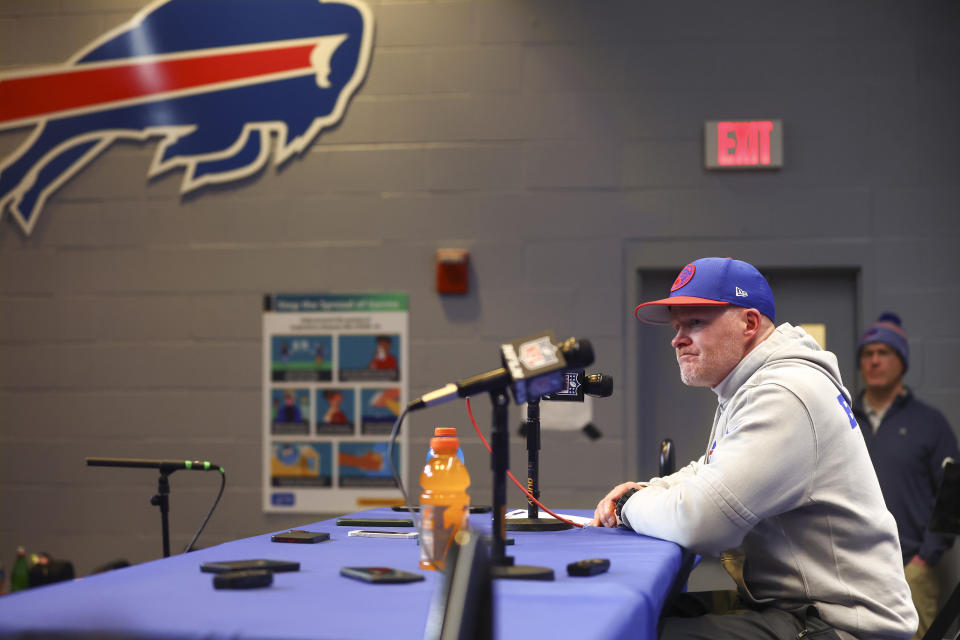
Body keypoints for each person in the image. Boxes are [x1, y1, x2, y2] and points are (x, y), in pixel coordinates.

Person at [592, 257, 917, 640]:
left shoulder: (785, 393)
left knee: (637, 632)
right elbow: (708, 469)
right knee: (639, 614)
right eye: (677, 325)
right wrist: (649, 489)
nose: (677, 338)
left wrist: (630, 506)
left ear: (748, 324)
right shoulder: (752, 387)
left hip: (842, 625)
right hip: (798, 607)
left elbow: (702, 521)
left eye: (695, 322)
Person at [852, 313, 959, 640]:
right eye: (867, 354)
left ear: (902, 362)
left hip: (912, 570)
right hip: (853, 572)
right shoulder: (844, 421)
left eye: (883, 353)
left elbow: (952, 495)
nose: (874, 361)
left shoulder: (929, 423)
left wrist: (925, 559)